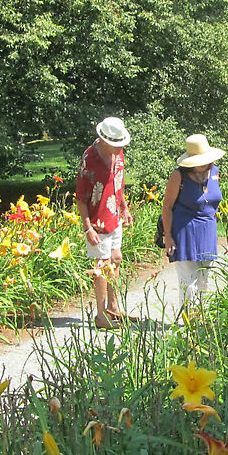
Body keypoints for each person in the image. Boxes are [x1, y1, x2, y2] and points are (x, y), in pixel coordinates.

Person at [75, 117, 134, 329]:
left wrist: (125, 208)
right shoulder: (89, 158)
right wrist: (87, 227)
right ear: (104, 140)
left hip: (114, 214)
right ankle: (101, 316)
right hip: (96, 221)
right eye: (116, 144)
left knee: (115, 259)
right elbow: (81, 197)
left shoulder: (118, 154)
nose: (120, 148)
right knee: (101, 265)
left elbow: (118, 184)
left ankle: (114, 307)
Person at [161, 134, 225, 314]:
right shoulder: (178, 176)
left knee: (205, 280)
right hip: (185, 232)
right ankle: (190, 324)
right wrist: (168, 236)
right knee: (189, 282)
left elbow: (212, 200)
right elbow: (167, 207)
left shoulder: (215, 172)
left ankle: (201, 322)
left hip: (208, 231)